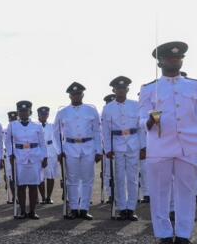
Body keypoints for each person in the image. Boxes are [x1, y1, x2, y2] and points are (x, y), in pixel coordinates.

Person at [139, 41, 197, 244]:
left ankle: (183, 237)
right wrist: (150, 119)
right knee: (160, 193)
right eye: (170, 58)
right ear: (160, 61)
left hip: (189, 146)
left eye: (178, 58)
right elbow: (141, 117)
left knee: (186, 193)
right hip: (160, 146)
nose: (175, 60)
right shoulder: (149, 88)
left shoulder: (194, 85)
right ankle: (163, 236)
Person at [55, 83, 103, 220]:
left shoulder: (91, 110)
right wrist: (60, 150)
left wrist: (99, 150)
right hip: (70, 148)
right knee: (72, 180)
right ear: (69, 95)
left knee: (88, 179)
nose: (76, 96)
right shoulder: (62, 112)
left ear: (82, 95)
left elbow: (97, 131)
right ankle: (74, 208)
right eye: (73, 94)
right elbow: (55, 133)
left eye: (78, 94)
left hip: (88, 146)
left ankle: (84, 209)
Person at [101, 77, 145, 221]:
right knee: (119, 178)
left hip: (133, 143)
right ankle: (121, 208)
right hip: (116, 144)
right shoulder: (108, 108)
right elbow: (105, 131)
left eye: (123, 88)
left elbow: (140, 128)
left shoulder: (135, 105)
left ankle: (131, 209)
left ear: (127, 90)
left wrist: (143, 147)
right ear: (114, 90)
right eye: (118, 89)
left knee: (132, 178)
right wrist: (107, 149)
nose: (121, 91)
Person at [7, 100, 48, 219]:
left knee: (33, 185)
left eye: (26, 111)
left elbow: (42, 143)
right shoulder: (12, 125)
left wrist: (44, 157)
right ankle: (23, 211)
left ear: (30, 112)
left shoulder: (37, 125)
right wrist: (10, 154)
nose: (23, 113)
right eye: (21, 111)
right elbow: (8, 142)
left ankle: (32, 211)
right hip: (19, 156)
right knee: (21, 185)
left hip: (34, 156)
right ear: (18, 112)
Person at [36, 106, 59, 204]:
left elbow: (57, 139)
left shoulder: (52, 126)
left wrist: (58, 152)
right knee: (40, 176)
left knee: (50, 175)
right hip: (39, 151)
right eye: (42, 114)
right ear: (38, 115)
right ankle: (43, 197)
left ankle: (49, 197)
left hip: (51, 150)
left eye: (46, 114)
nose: (44, 116)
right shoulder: (35, 126)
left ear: (48, 115)